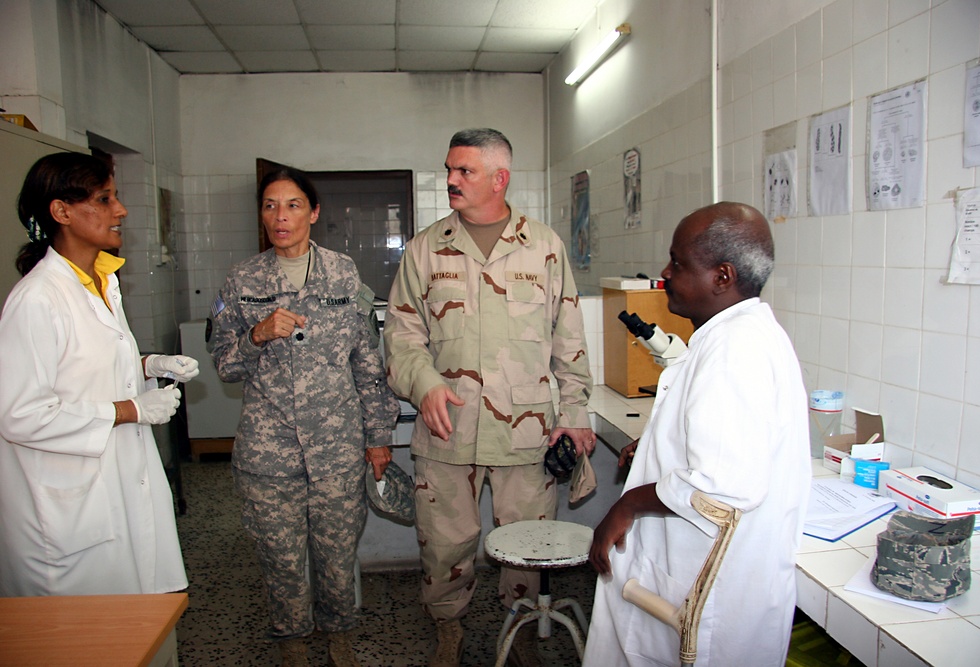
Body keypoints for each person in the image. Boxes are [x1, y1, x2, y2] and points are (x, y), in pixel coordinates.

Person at [383, 128, 596, 667]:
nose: (451, 180)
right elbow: (401, 337)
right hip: (447, 426)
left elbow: (569, 340)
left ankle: (521, 623)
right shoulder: (426, 249)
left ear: (499, 178)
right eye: (449, 170)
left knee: (527, 542)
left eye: (464, 171)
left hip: (525, 430)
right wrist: (425, 381)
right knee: (443, 545)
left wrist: (574, 415)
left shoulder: (544, 247)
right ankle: (448, 629)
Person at [584, 202, 811, 667]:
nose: (665, 273)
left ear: (722, 277)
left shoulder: (735, 350)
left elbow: (721, 484)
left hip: (708, 597)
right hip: (691, 573)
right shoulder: (733, 334)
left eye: (678, 263)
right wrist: (652, 447)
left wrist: (626, 505)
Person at [210, 166, 399, 667]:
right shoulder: (243, 279)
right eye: (270, 205)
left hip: (336, 446)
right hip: (267, 453)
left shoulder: (343, 273)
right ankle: (291, 638)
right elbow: (225, 365)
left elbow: (367, 361)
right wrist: (257, 335)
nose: (280, 216)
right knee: (282, 558)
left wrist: (379, 437)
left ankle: (338, 633)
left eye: (292, 205)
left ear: (313, 212)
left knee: (337, 556)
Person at [0, 152, 194, 597]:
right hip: (68, 507)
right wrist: (131, 409)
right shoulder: (37, 299)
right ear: (62, 211)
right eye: (105, 199)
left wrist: (148, 366)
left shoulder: (103, 281)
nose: (120, 210)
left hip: (117, 482)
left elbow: (82, 369)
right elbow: (21, 414)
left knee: (135, 625)